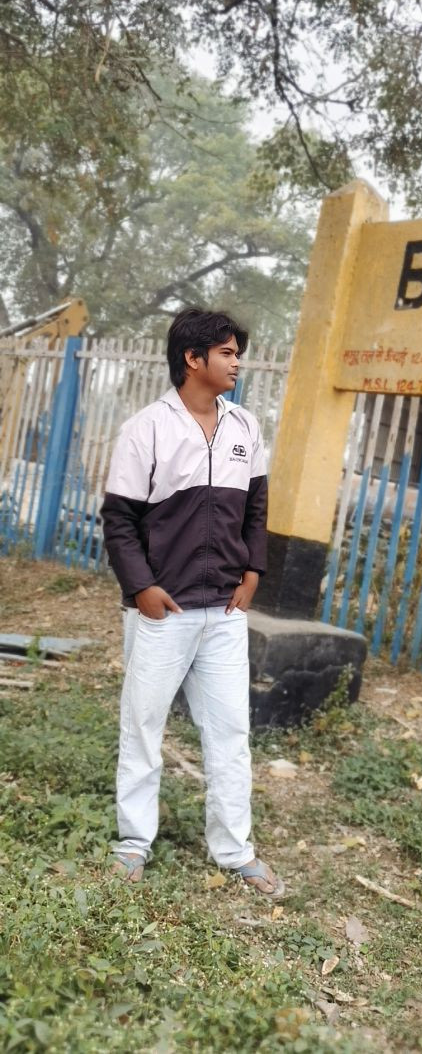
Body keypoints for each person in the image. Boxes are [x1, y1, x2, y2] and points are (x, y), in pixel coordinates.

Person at [100, 308, 284, 896]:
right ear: (193, 358)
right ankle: (133, 843)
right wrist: (142, 588)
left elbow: (256, 508)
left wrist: (253, 571)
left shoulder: (245, 426)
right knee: (143, 725)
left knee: (230, 732)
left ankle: (235, 851)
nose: (237, 363)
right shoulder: (147, 429)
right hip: (164, 611)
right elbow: (119, 519)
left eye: (237, 353)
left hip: (225, 612)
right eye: (227, 353)